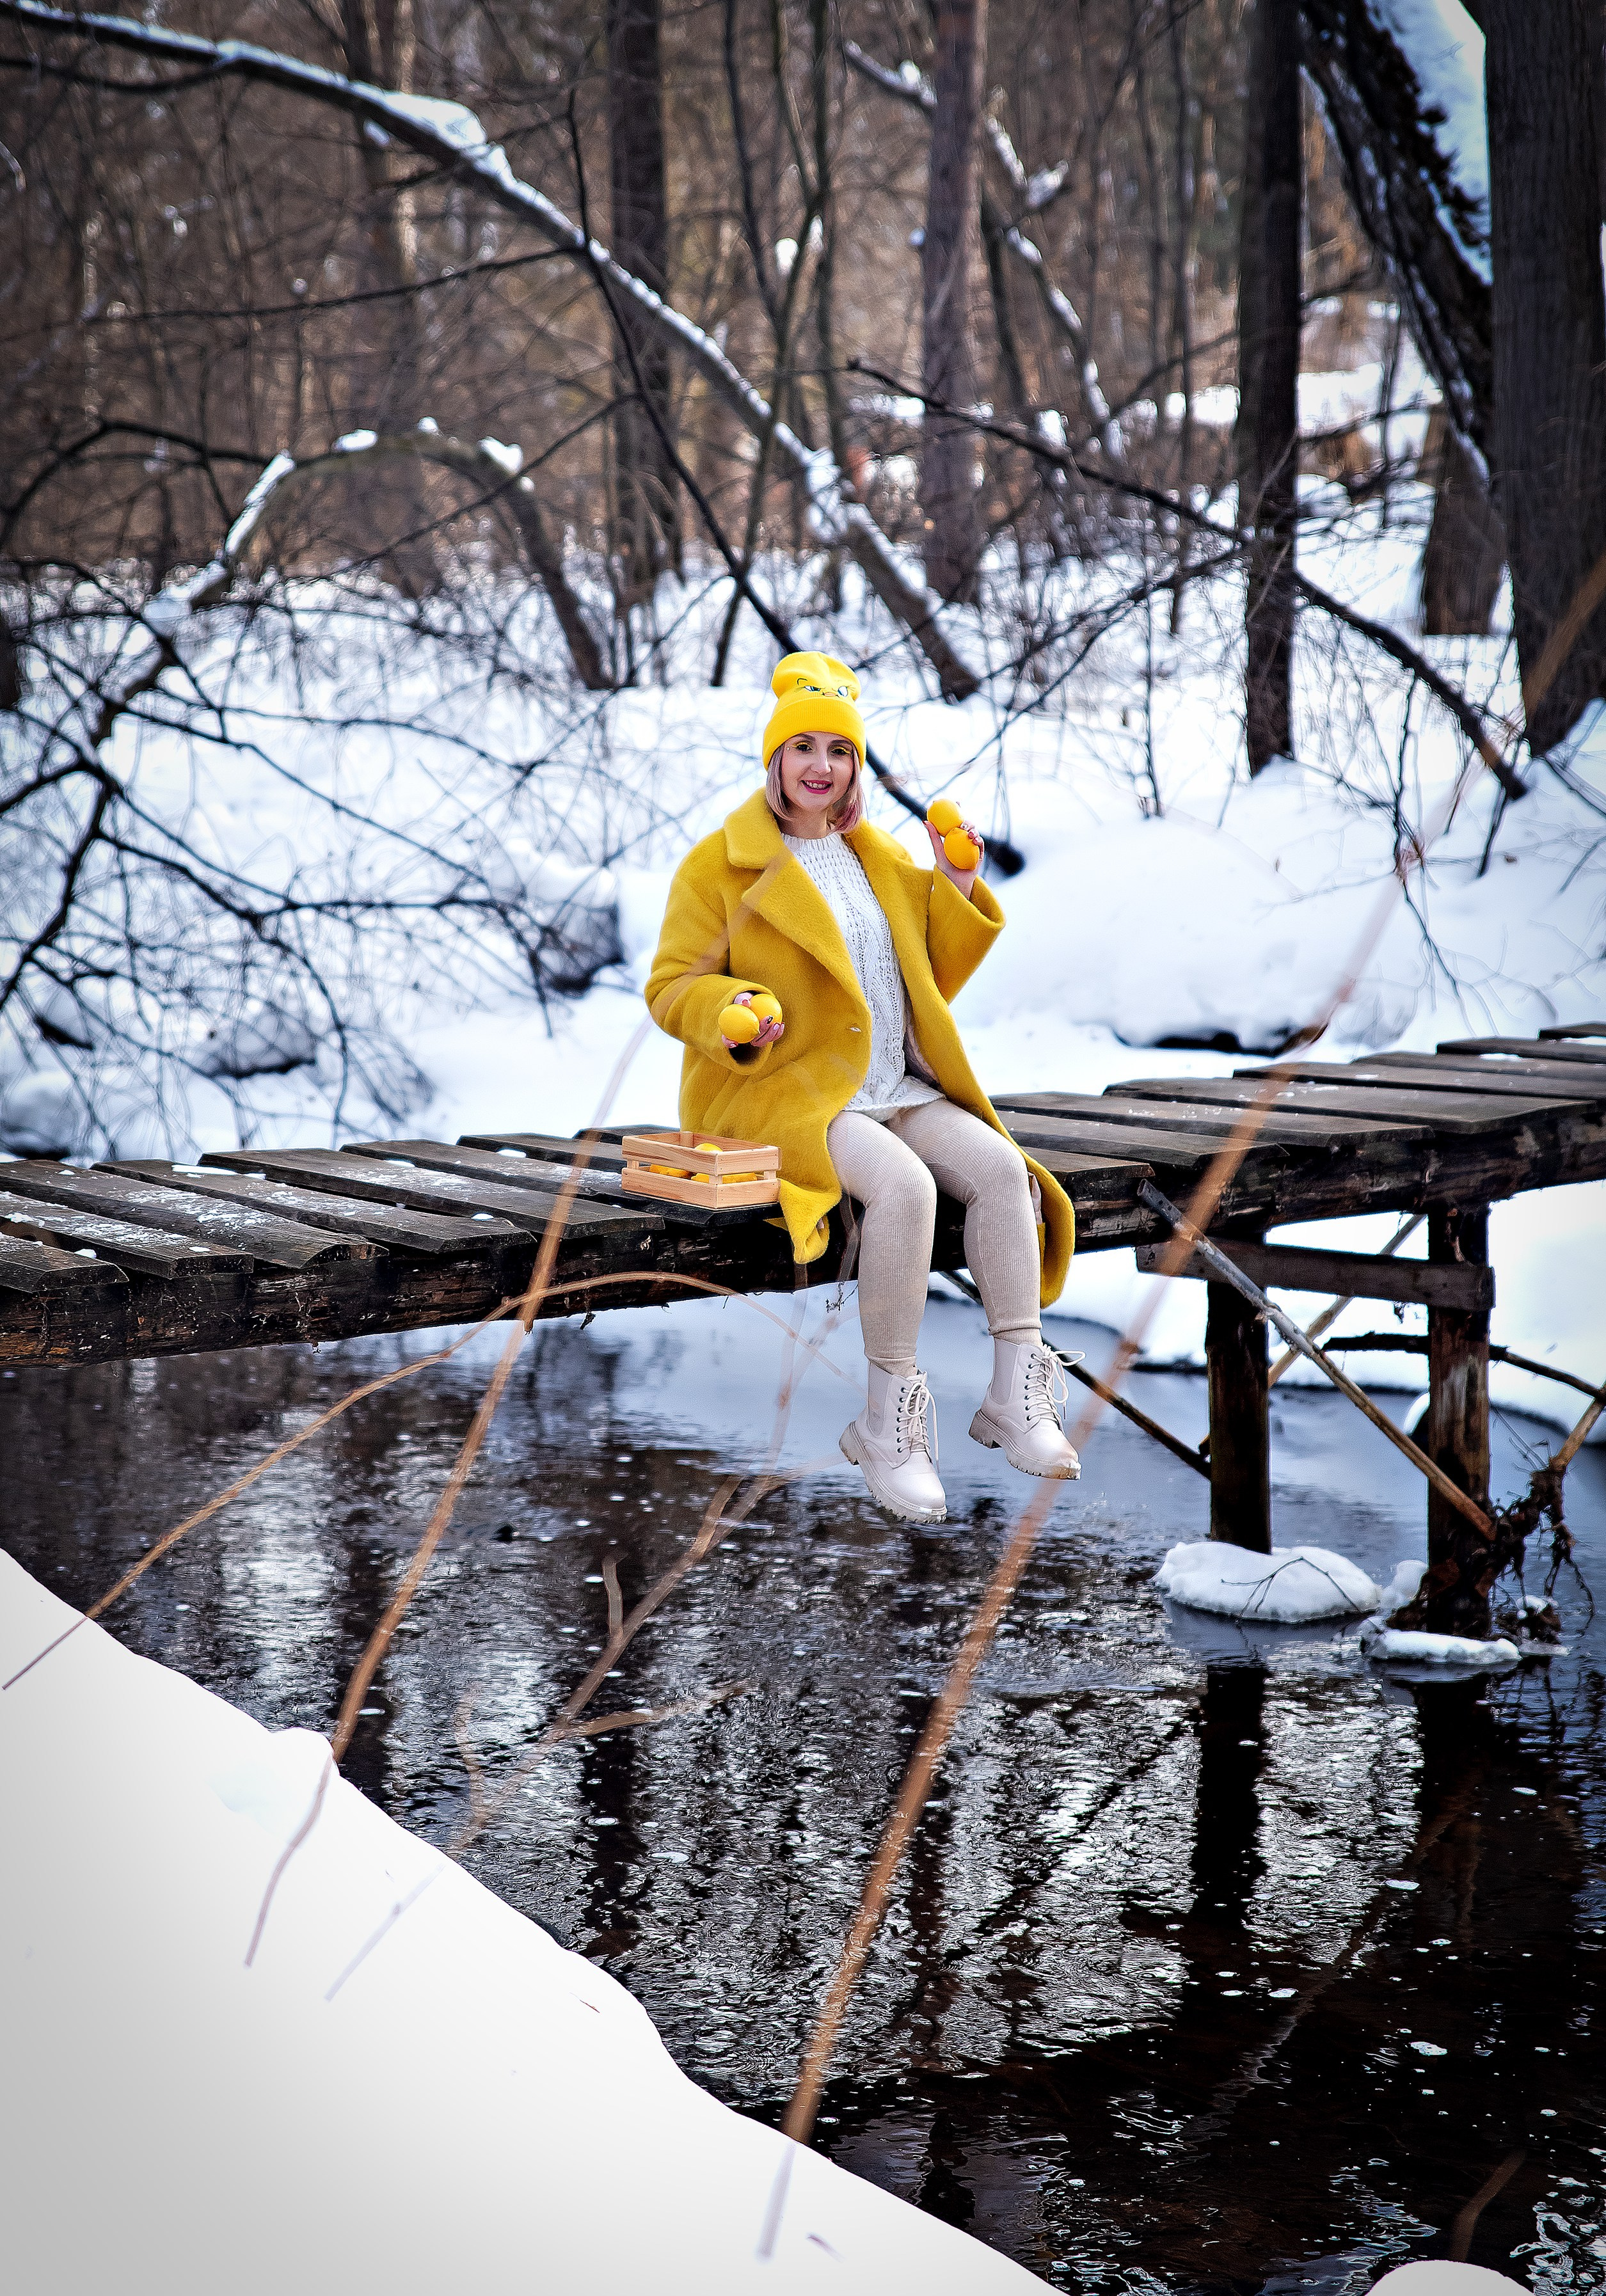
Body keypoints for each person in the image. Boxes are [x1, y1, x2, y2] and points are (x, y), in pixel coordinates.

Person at [644, 651, 1078, 1524]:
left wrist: (955, 883)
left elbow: (927, 980)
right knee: (906, 1188)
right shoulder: (720, 866)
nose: (819, 765)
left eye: (836, 750)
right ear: (773, 761)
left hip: (897, 1083)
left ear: (854, 765)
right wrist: (729, 1007)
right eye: (800, 747)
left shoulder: (875, 854)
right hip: (792, 1092)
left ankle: (1013, 1393)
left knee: (1002, 1172)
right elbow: (668, 987)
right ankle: (886, 1427)